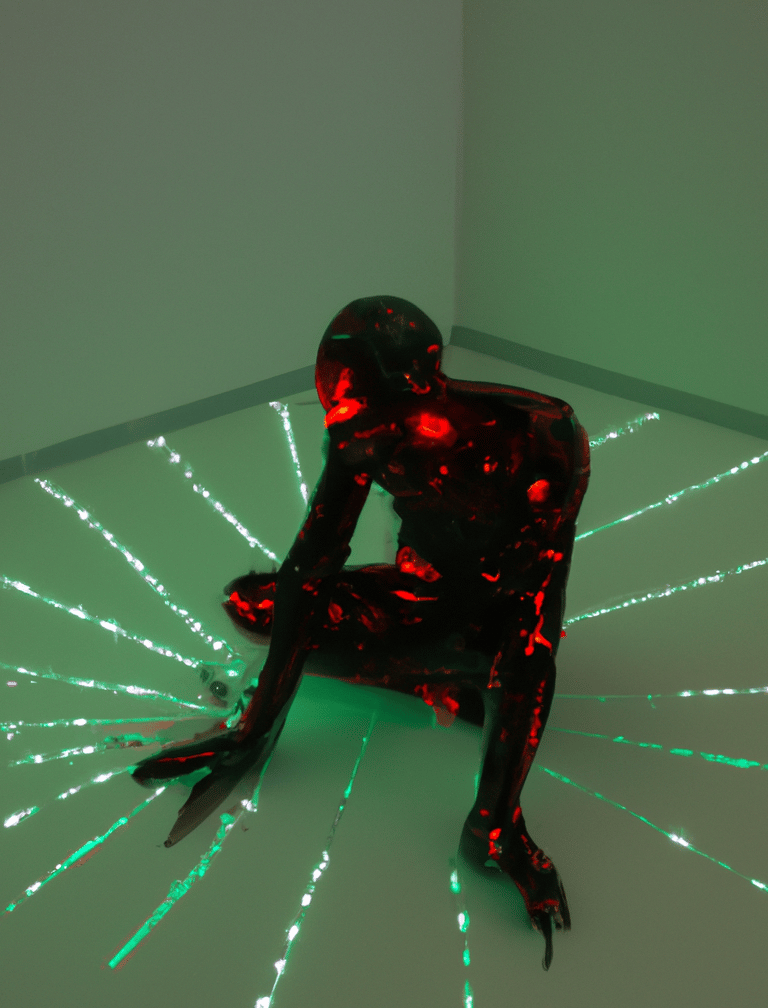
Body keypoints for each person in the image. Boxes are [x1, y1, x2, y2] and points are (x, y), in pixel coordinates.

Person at [132, 295, 590, 969]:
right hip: (411, 606)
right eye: (335, 406)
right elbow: (309, 571)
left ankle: (456, 689)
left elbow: (537, 615)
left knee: (519, 650)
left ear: (418, 384)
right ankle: (431, 679)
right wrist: (254, 729)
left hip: (490, 633)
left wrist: (496, 819)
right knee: (253, 605)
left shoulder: (541, 436)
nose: (342, 426)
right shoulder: (362, 439)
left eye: (353, 404)